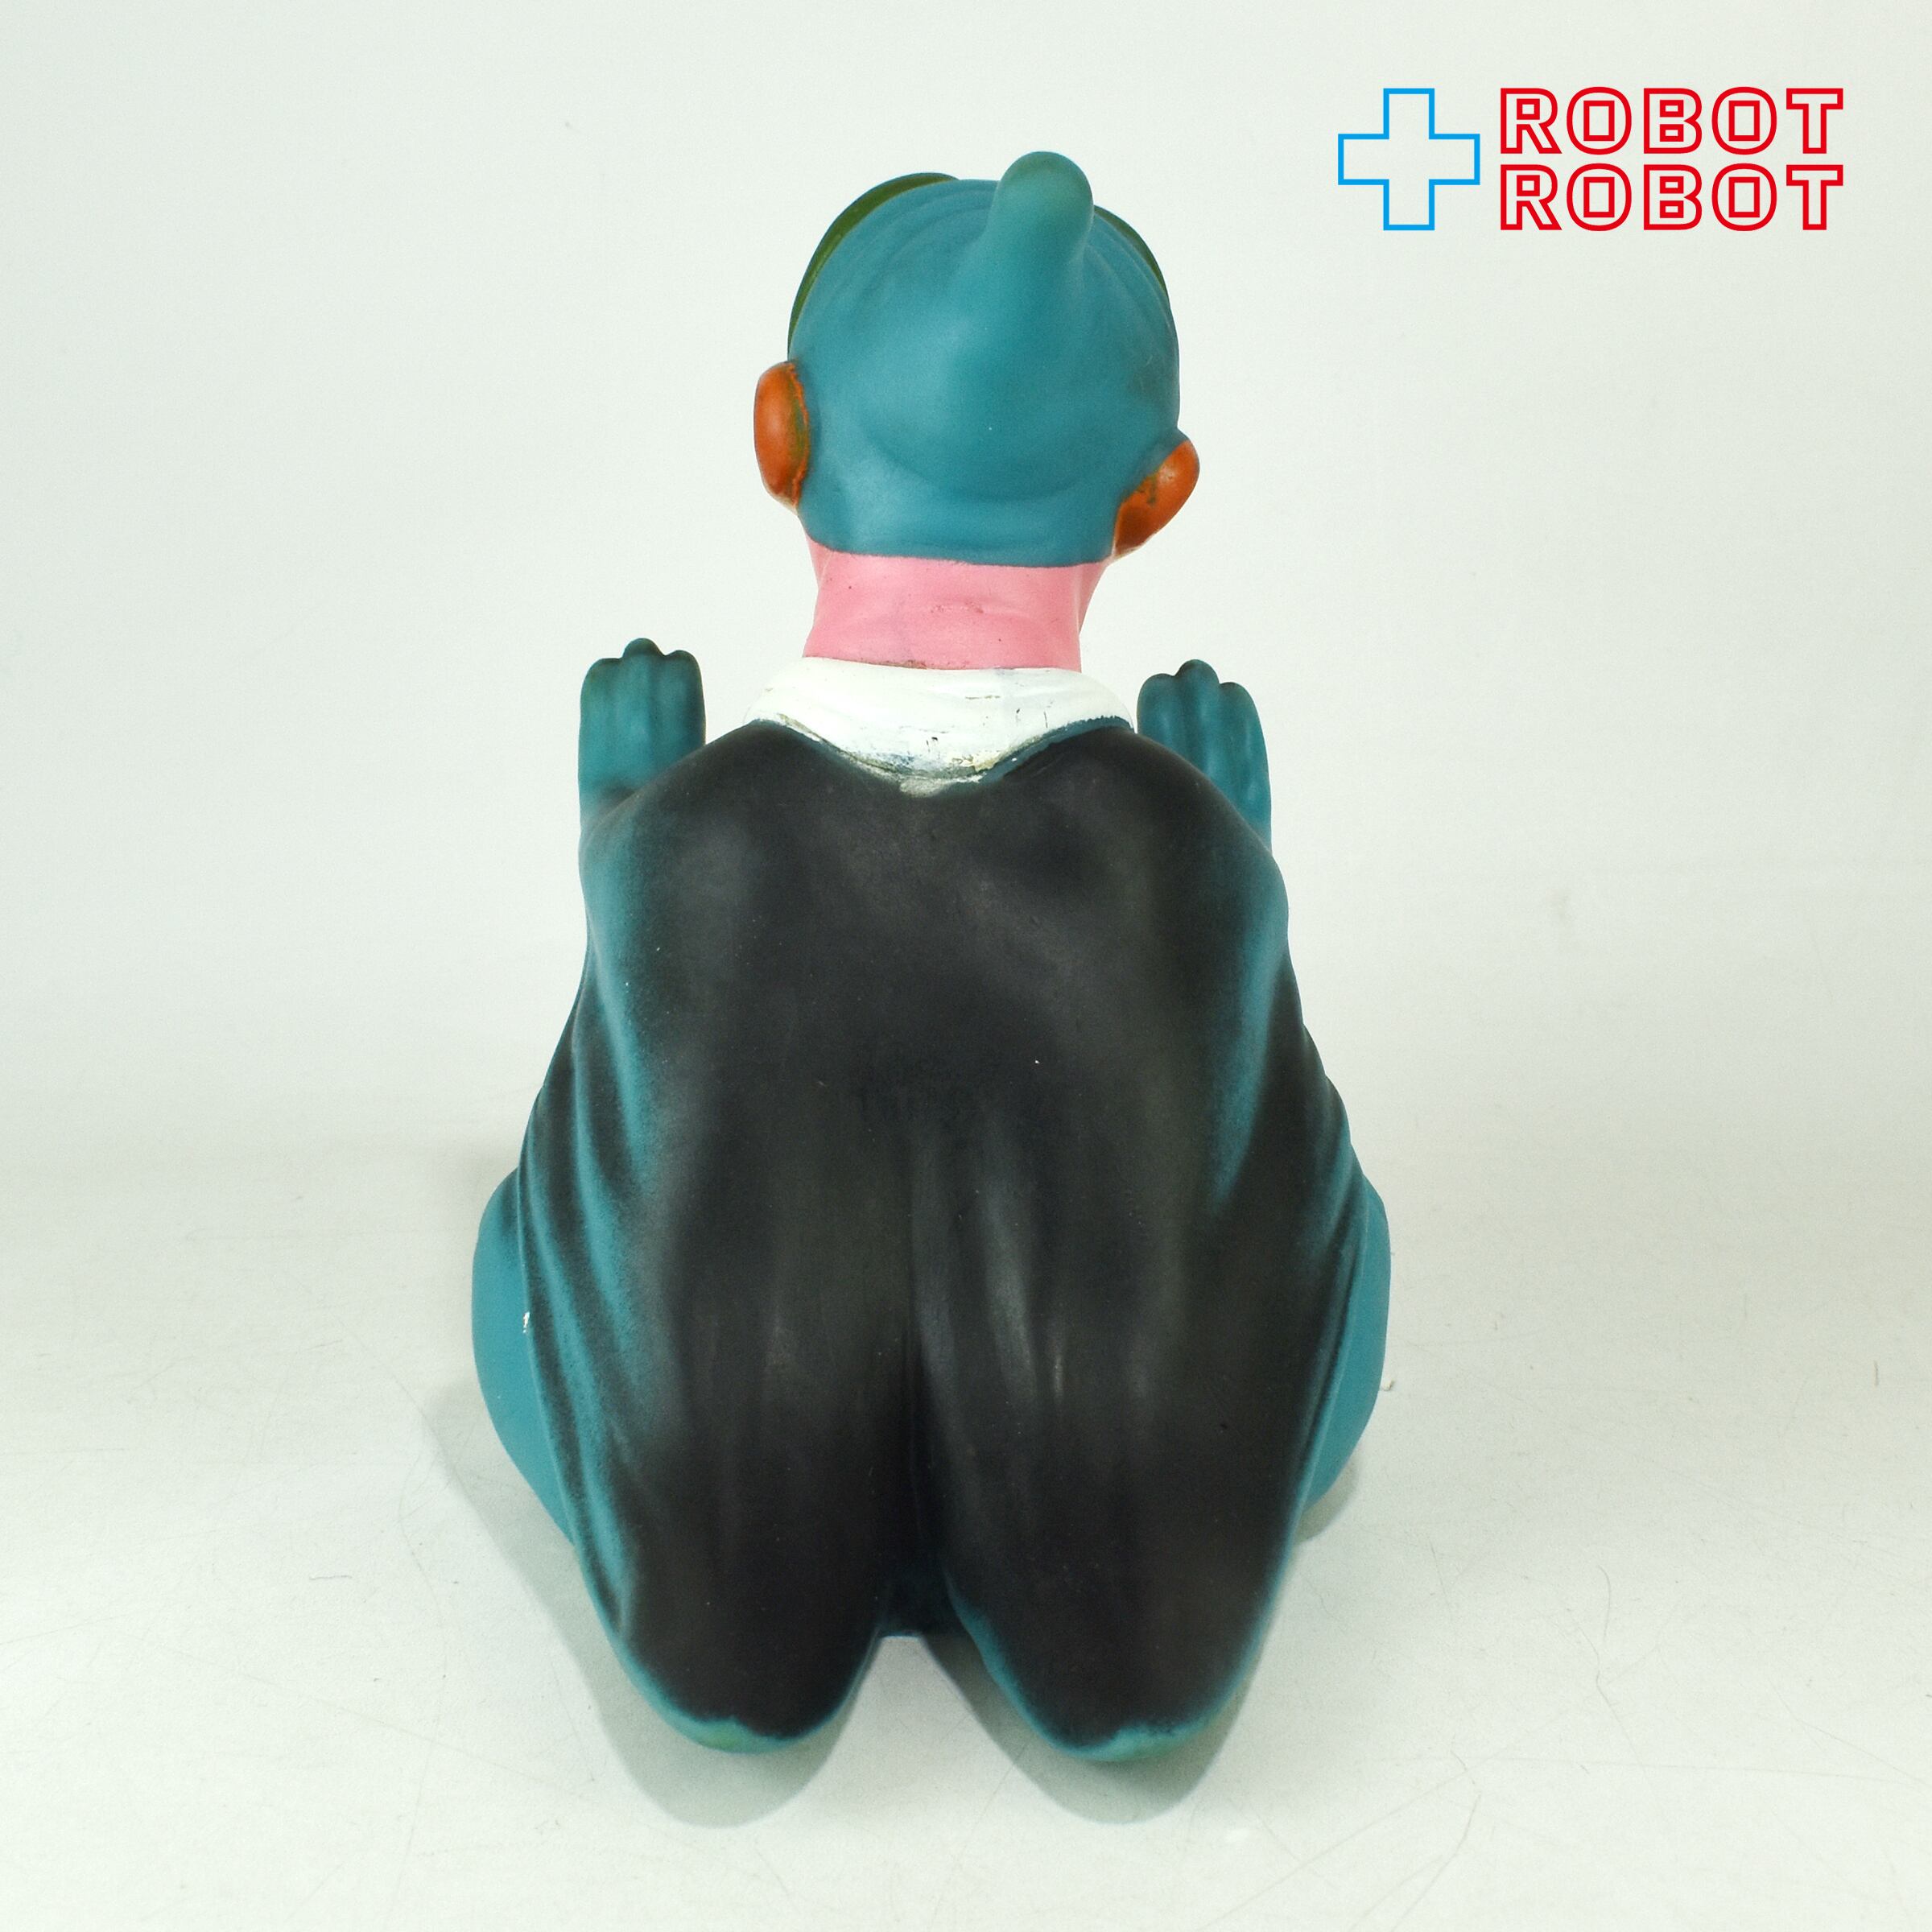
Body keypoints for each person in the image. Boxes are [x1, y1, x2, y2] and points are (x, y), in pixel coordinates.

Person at [473, 153, 1389, 1759]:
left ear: (781, 433)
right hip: (1144, 1635)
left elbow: (635, 1111)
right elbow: (1242, 1147)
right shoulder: (1174, 855)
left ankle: (726, 1610)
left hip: (715, 1626)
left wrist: (619, 815)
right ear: (1157, 493)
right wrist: (1233, 860)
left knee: (539, 1228)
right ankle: (1111, 1624)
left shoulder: (696, 839)